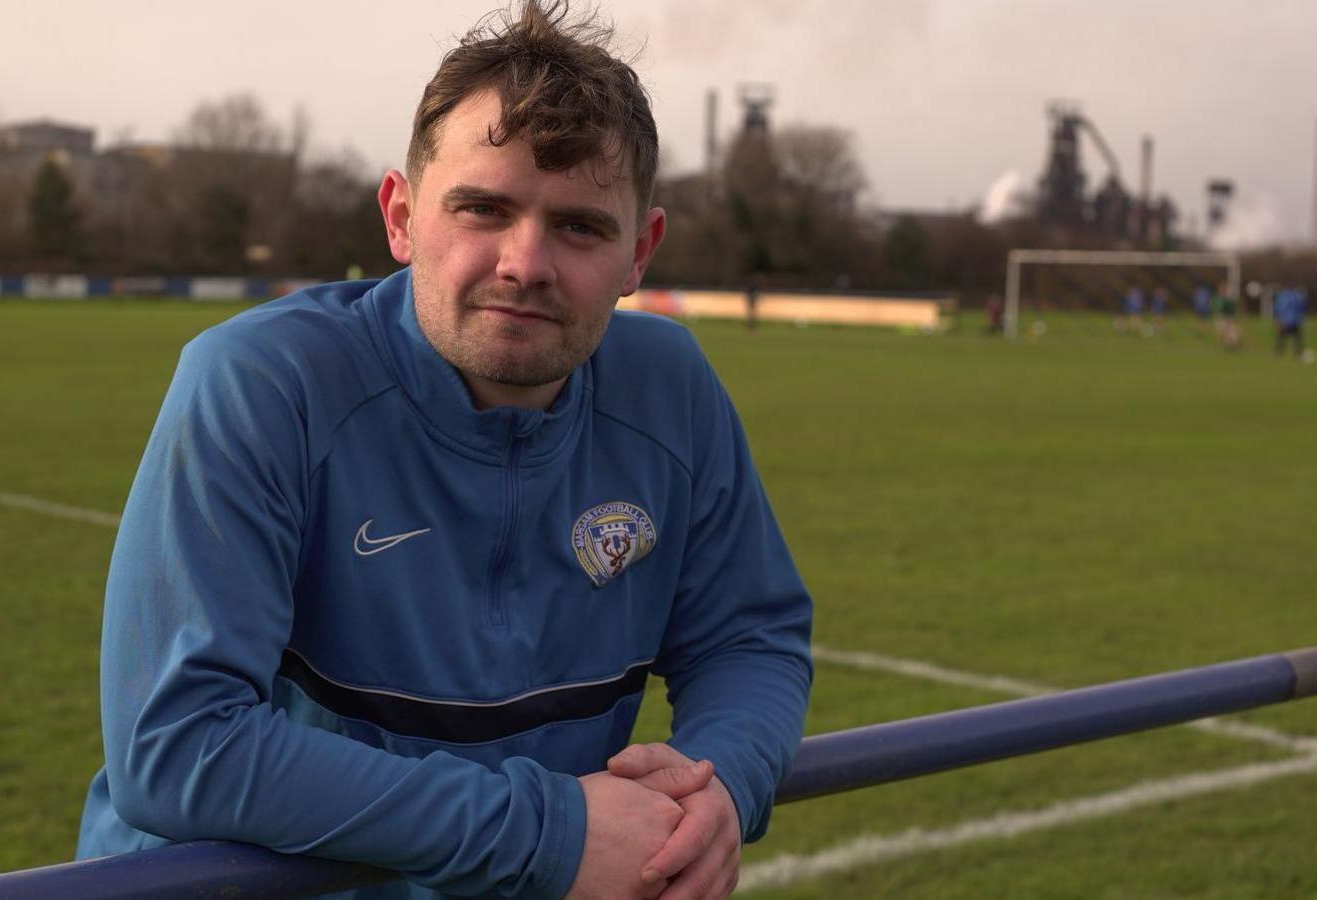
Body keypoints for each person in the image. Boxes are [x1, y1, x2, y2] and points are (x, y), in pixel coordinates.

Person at [75, 3, 815, 899]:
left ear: (640, 254)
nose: (524, 262)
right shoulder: (262, 382)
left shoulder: (669, 388)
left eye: (580, 227)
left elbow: (749, 637)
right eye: (482, 208)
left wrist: (720, 787)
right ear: (400, 216)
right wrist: (552, 831)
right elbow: (181, 744)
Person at [1273, 286, 1306, 357]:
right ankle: (1298, 353)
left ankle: (1278, 353)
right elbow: (1301, 309)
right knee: (1297, 338)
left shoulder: (1282, 297)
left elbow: (1277, 309)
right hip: (1294, 321)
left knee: (1282, 338)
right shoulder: (1297, 297)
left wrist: (1278, 320)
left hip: (1285, 321)